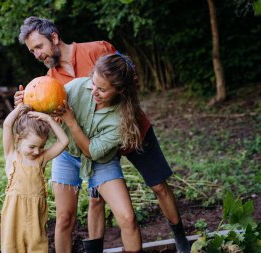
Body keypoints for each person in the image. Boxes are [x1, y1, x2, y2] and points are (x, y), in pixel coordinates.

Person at [17, 16, 191, 253]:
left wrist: (117, 109)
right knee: (96, 197)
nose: (37, 55)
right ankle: (94, 249)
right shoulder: (50, 81)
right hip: (91, 146)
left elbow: (129, 77)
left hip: (128, 131)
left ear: (54, 38)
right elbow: (44, 111)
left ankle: (180, 237)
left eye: (39, 47)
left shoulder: (98, 49)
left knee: (159, 186)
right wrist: (25, 103)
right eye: (32, 51)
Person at [0, 103, 69, 253]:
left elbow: (64, 141)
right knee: (12, 247)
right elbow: (7, 125)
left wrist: (49, 120)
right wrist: (18, 109)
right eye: (32, 146)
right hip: (14, 214)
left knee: (36, 246)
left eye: (41, 146)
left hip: (35, 215)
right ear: (18, 139)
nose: (37, 151)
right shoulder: (12, 155)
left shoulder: (41, 159)